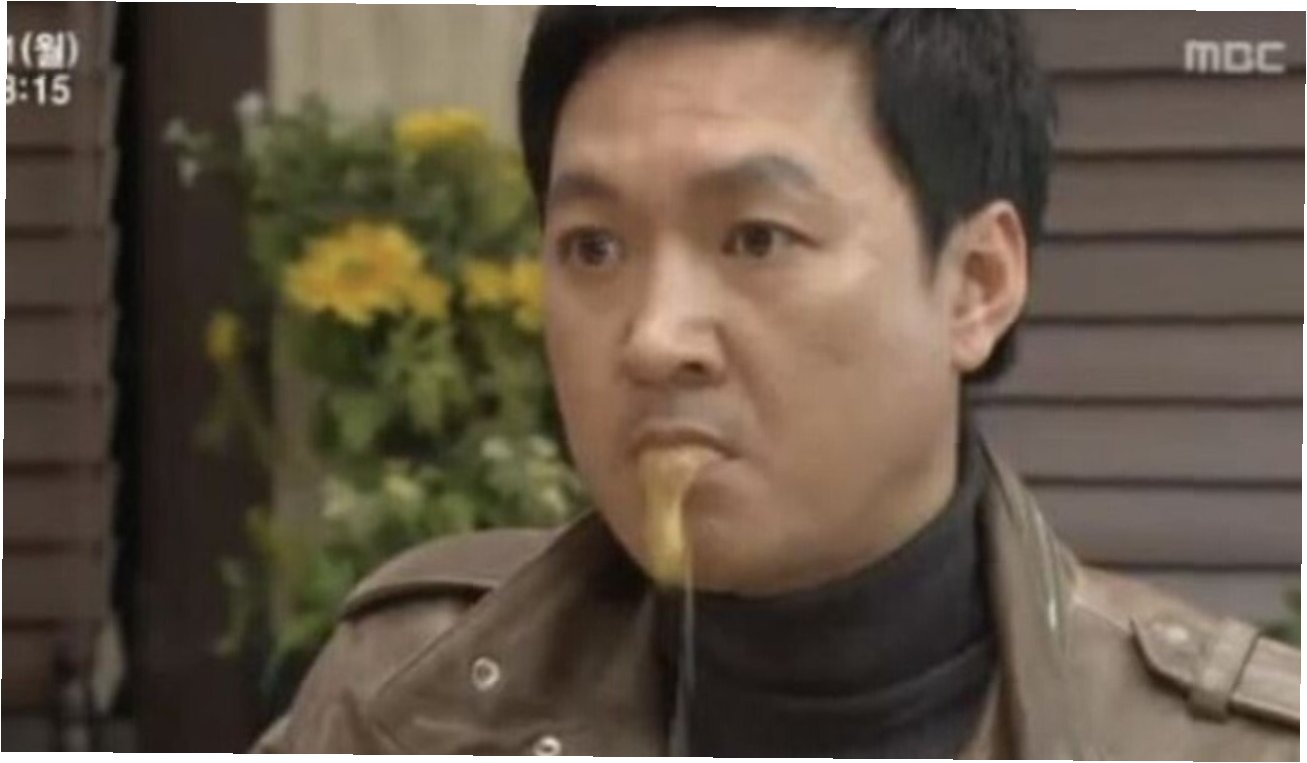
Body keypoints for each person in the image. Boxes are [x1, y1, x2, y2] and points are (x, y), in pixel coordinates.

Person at [253, 8, 1299, 757]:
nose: (654, 338)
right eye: (592, 247)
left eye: (755, 238)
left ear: (975, 284)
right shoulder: (408, 698)